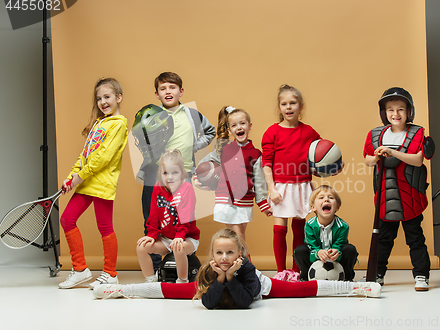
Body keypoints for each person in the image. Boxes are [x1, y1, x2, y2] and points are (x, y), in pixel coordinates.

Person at [93, 228, 381, 304]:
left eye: (230, 252)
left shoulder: (247, 271)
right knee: (170, 291)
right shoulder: (209, 271)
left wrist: (231, 274)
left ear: (240, 253)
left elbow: (244, 301)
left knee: (303, 289)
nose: (224, 258)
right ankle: (116, 290)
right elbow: (210, 303)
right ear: (212, 255)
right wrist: (219, 279)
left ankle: (360, 287)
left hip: (256, 288)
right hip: (222, 284)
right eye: (219, 253)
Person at [138, 72, 215, 268]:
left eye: (172, 87)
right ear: (157, 94)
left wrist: (193, 146)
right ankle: (155, 265)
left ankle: (183, 263)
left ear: (181, 91)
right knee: (152, 216)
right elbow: (142, 140)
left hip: (184, 174)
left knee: (183, 218)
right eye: (163, 89)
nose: (168, 91)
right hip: (157, 175)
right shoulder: (152, 114)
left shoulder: (191, 114)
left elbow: (210, 131)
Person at [58, 78, 128, 289]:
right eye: (99, 98)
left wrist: (81, 175)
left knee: (105, 227)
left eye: (107, 97)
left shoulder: (119, 124)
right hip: (87, 181)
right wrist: (72, 175)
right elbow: (86, 154)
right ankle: (80, 269)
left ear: (118, 97)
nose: (103, 102)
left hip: (102, 184)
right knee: (67, 219)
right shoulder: (99, 123)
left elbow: (103, 157)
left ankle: (110, 274)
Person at [363, 87, 434, 291]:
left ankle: (421, 275)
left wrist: (393, 152)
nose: (395, 114)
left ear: (409, 111)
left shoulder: (417, 132)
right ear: (384, 112)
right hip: (386, 196)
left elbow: (418, 159)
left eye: (401, 109)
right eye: (390, 109)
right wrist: (378, 155)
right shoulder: (376, 134)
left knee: (415, 237)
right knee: (384, 238)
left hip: (409, 194)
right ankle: (377, 275)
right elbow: (368, 160)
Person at [193, 106, 272, 259]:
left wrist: (262, 203)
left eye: (242, 123)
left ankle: (239, 267)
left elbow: (260, 181)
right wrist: (198, 179)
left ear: (250, 126)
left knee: (240, 235)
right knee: (239, 234)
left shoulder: (256, 154)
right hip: (226, 201)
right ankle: (247, 267)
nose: (239, 128)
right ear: (229, 130)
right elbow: (203, 165)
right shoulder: (224, 150)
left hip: (244, 202)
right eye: (234, 125)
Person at [261, 84, 322, 275]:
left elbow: (319, 156)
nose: (288, 107)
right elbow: (266, 164)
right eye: (284, 104)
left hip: (302, 185)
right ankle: (281, 271)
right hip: (280, 186)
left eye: (293, 103)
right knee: (280, 228)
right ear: (279, 107)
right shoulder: (272, 132)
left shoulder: (309, 132)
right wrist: (271, 189)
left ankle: (297, 271)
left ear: (300, 106)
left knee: (299, 229)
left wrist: (333, 166)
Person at [136, 149, 200, 283]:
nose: (169, 177)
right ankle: (151, 281)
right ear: (160, 174)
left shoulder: (187, 188)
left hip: (187, 237)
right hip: (166, 238)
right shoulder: (157, 187)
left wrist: (179, 237)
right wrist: (151, 235)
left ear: (182, 173)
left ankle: (182, 281)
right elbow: (153, 216)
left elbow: (185, 218)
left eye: (174, 173)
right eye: (165, 173)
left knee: (178, 247)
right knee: (141, 247)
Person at [294, 185, 358, 281]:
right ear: (313, 207)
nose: (326, 200)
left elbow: (339, 245)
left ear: (337, 207)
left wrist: (337, 253)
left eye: (331, 198)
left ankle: (347, 278)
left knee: (350, 249)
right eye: (321, 197)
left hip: (336, 261)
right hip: (314, 258)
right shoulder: (310, 225)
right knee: (300, 250)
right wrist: (318, 252)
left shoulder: (343, 226)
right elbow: (311, 246)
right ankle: (305, 277)